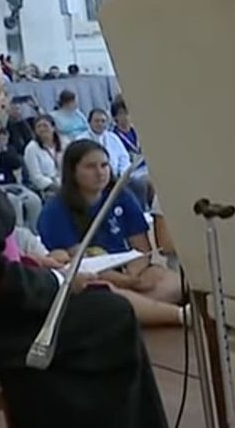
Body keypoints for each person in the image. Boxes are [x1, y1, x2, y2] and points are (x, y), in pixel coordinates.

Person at [0, 49, 202, 428]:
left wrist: (38, 266)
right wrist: (58, 283)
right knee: (110, 316)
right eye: (0, 90)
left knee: (106, 307)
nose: (6, 99)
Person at [35, 140, 185, 329]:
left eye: (104, 165)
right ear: (72, 171)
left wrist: (135, 274)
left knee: (175, 283)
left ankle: (134, 310)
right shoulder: (55, 210)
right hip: (90, 278)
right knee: (105, 293)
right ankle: (171, 314)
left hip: (129, 272)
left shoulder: (121, 196)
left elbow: (142, 249)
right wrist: (123, 281)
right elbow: (76, 261)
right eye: (90, 167)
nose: (100, 172)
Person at [23, 114, 64, 195]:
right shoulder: (31, 148)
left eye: (45, 126)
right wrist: (56, 187)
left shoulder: (64, 143)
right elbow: (36, 177)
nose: (42, 129)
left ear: (53, 128)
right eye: (39, 126)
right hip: (47, 188)